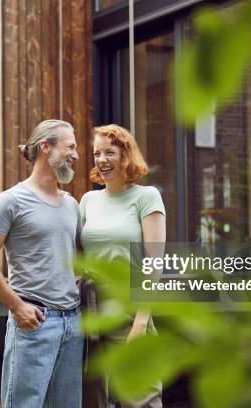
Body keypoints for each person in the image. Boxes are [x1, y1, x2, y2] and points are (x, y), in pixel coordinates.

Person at [0, 119, 84, 408]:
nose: (76, 155)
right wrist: (16, 306)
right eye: (70, 147)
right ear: (46, 147)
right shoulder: (11, 201)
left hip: (72, 321)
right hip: (35, 322)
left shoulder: (71, 204)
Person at [79, 124, 166, 408]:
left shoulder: (146, 197)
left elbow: (155, 262)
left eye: (109, 152)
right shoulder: (88, 201)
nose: (101, 160)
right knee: (92, 397)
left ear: (125, 154)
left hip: (129, 305)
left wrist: (141, 321)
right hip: (89, 307)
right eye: (96, 154)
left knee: (140, 395)